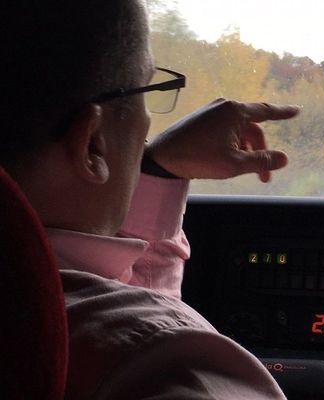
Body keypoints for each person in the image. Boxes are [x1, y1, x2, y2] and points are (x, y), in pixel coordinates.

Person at [1, 1, 299, 398]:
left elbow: (106, 304)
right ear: (92, 142)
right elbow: (129, 331)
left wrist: (157, 172)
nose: (146, 123)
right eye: (147, 89)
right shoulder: (172, 369)